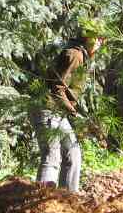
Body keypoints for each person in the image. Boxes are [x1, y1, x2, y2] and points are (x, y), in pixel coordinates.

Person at [31, 24, 103, 193]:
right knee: (52, 156)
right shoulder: (74, 54)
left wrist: (75, 112)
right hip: (47, 109)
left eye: (102, 40)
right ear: (87, 39)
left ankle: (68, 200)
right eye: (97, 39)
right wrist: (73, 112)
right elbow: (56, 88)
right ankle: (41, 203)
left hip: (59, 112)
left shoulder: (81, 56)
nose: (100, 43)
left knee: (73, 154)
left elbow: (68, 92)